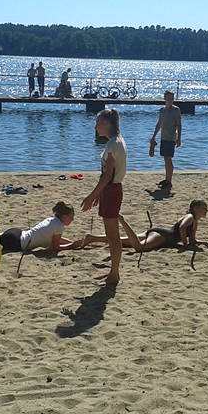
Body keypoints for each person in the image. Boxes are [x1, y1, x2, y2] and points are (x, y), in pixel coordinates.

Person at [81, 109, 127, 286]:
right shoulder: (117, 141)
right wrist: (99, 194)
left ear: (107, 124)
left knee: (113, 236)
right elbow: (108, 175)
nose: (96, 126)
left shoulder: (113, 145)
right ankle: (113, 273)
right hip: (111, 190)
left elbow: (107, 176)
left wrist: (92, 195)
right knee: (112, 235)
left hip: (112, 190)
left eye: (99, 122)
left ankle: (114, 275)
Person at [85, 200, 208, 252]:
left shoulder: (195, 221)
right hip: (163, 236)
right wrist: (185, 245)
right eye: (203, 208)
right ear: (194, 208)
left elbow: (192, 240)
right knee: (139, 247)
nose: (206, 210)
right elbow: (182, 229)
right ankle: (123, 222)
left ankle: (93, 238)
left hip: (160, 233)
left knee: (125, 241)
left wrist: (204, 243)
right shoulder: (190, 217)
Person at [0, 201, 83, 252]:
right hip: (17, 242)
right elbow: (55, 248)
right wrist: (71, 246)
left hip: (17, 233)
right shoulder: (59, 226)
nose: (72, 219)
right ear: (64, 216)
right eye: (71, 217)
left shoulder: (51, 220)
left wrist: (71, 242)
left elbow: (55, 238)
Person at [150, 90, 182, 190]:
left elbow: (179, 125)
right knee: (165, 158)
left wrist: (179, 139)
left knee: (168, 159)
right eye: (169, 98)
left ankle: (169, 181)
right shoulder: (162, 110)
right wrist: (154, 136)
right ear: (165, 99)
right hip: (163, 137)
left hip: (171, 137)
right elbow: (159, 124)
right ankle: (167, 179)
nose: (171, 100)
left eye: (172, 98)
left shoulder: (176, 110)